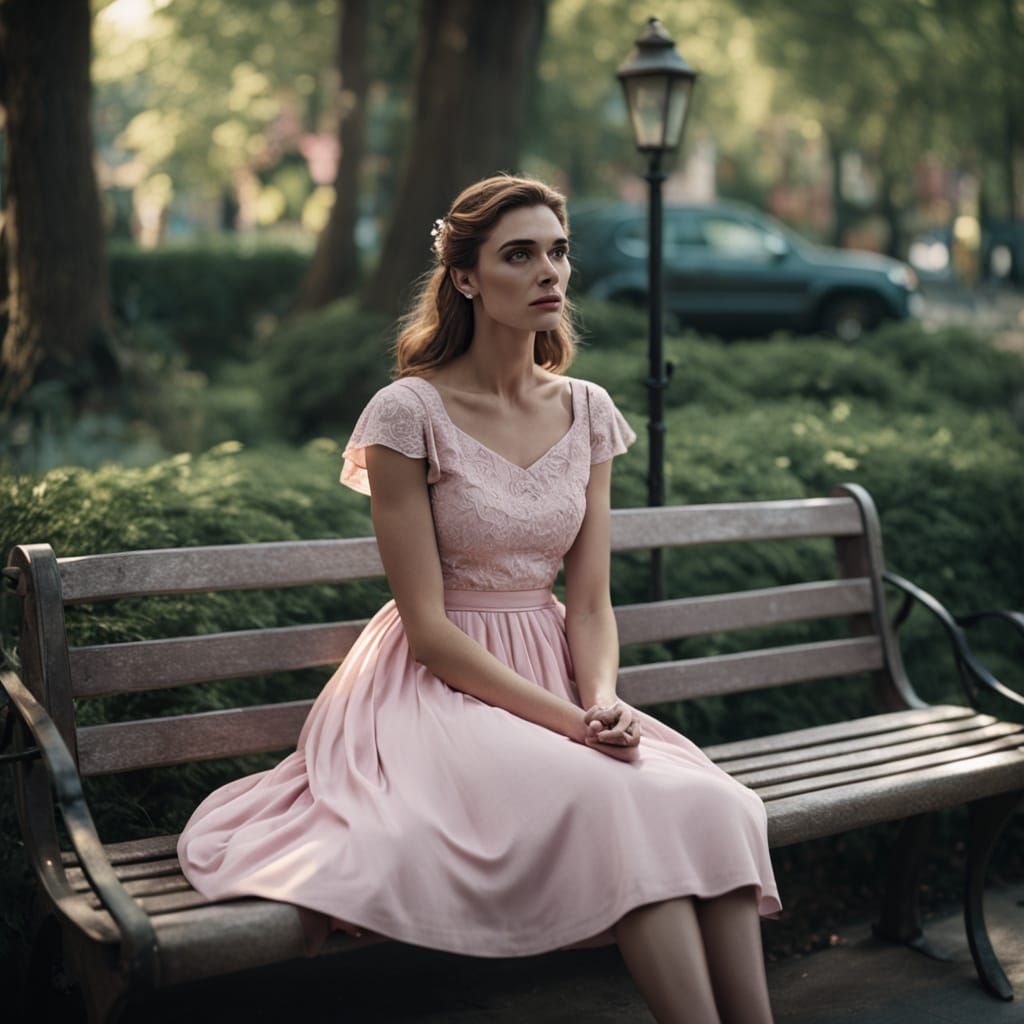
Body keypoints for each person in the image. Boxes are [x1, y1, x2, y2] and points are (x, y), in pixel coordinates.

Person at [176, 173, 781, 1024]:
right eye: (520, 255)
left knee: (712, 802)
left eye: (558, 251)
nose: (550, 273)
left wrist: (602, 699)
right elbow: (426, 634)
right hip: (435, 693)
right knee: (619, 804)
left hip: (563, 676)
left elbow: (592, 603)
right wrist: (571, 724)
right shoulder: (406, 414)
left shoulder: (589, 411)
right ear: (465, 277)